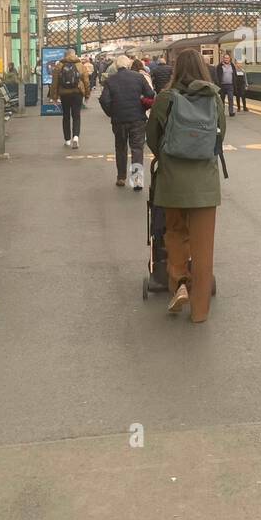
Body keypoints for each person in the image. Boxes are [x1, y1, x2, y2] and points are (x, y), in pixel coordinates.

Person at [146, 47, 227, 322]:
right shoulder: (214, 98)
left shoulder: (165, 98)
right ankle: (200, 312)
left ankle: (180, 282)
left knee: (175, 232)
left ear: (176, 69)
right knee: (204, 248)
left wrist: (166, 157)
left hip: (172, 183)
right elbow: (219, 139)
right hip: (205, 183)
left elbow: (152, 138)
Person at [100, 54, 151, 189]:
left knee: (121, 147)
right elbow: (150, 95)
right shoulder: (139, 77)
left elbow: (104, 100)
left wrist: (111, 113)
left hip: (119, 120)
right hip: (137, 119)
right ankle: (137, 180)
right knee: (137, 149)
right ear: (128, 65)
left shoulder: (111, 80)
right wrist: (142, 105)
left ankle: (121, 177)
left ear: (116, 66)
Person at [50, 49, 90, 149]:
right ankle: (76, 137)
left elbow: (54, 82)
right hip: (77, 93)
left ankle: (67, 140)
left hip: (64, 94)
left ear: (65, 55)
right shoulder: (80, 65)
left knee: (66, 116)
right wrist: (87, 95)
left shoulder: (59, 65)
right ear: (74, 54)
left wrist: (54, 97)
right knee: (76, 116)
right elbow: (86, 81)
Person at [214, 52, 237, 116]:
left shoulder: (232, 66)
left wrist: (235, 83)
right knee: (222, 99)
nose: (226, 59)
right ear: (223, 59)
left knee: (231, 98)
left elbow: (234, 75)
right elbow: (217, 76)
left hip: (230, 85)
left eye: (227, 58)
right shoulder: (219, 66)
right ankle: (222, 112)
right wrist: (218, 83)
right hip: (222, 85)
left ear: (230, 59)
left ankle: (231, 112)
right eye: (225, 58)